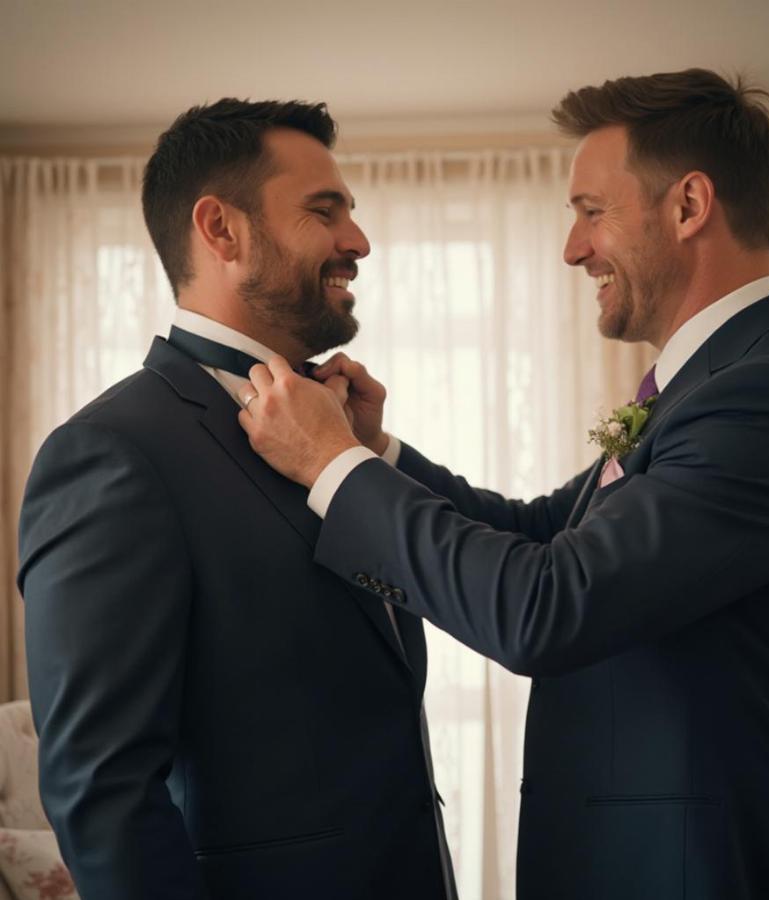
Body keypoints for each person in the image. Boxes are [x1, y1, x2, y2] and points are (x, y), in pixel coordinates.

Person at [237, 70, 769, 899]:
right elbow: (545, 531)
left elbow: (547, 607)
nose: (572, 249)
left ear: (689, 207)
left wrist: (334, 469)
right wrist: (378, 450)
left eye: (591, 212)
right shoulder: (713, 387)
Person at [18, 98, 456, 900]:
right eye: (325, 212)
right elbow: (101, 793)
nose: (359, 242)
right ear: (221, 229)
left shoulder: (333, 432)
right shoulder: (112, 454)